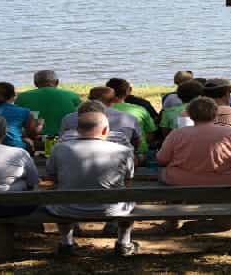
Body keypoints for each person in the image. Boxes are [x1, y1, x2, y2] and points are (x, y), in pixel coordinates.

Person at [45, 111, 137, 257]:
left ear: (77, 129)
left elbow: (52, 176)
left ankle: (66, 243)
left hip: (66, 208)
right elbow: (128, 181)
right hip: (113, 209)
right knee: (129, 197)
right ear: (106, 130)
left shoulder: (59, 148)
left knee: (59, 195)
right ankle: (124, 243)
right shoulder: (124, 150)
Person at [157, 97, 231, 186]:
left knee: (164, 173)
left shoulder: (177, 133)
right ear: (215, 113)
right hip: (229, 179)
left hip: (182, 180)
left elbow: (162, 159)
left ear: (190, 115)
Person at [59, 87, 141, 150]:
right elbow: (136, 142)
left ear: (89, 99)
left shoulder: (68, 118)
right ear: (113, 101)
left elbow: (62, 139)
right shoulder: (129, 119)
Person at [15, 70, 81, 136]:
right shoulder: (72, 95)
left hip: (34, 136)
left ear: (35, 83)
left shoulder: (22, 97)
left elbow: (16, 120)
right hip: (65, 136)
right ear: (57, 82)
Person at [0, 82, 40, 150]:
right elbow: (32, 133)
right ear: (13, 95)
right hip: (14, 147)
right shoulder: (23, 111)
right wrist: (39, 125)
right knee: (29, 142)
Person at [106, 78, 158, 156]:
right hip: (137, 152)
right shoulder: (140, 110)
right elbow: (150, 134)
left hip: (107, 151)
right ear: (127, 92)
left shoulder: (99, 110)